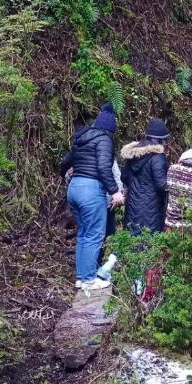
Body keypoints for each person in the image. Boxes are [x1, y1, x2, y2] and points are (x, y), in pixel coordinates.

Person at [60, 102, 124, 293]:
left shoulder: (81, 138)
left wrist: (69, 175)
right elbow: (104, 168)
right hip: (91, 190)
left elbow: (64, 162)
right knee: (94, 235)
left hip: (74, 189)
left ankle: (81, 278)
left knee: (83, 234)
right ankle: (89, 279)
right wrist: (115, 191)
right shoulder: (104, 140)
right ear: (110, 130)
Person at [120, 118, 170, 235]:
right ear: (160, 139)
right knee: (148, 241)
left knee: (131, 237)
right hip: (151, 208)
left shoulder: (132, 154)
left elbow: (124, 177)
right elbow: (161, 185)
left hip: (132, 204)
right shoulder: (157, 157)